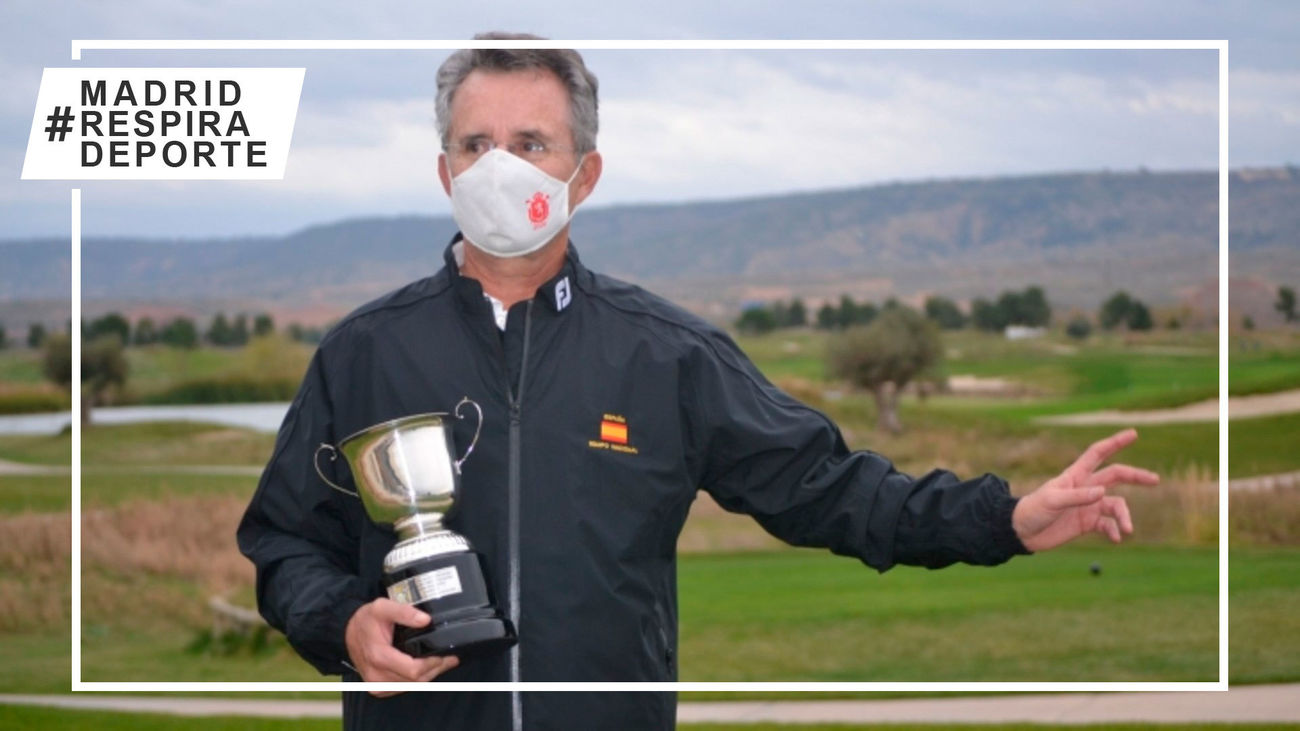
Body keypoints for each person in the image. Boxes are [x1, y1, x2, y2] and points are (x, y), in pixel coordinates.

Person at [237, 34, 1160, 731]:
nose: (500, 167)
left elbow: (829, 489)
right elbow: (284, 541)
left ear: (584, 176)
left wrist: (1004, 518)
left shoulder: (666, 354)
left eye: (531, 143)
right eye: (476, 144)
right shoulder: (363, 353)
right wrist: (343, 624)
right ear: (445, 171)